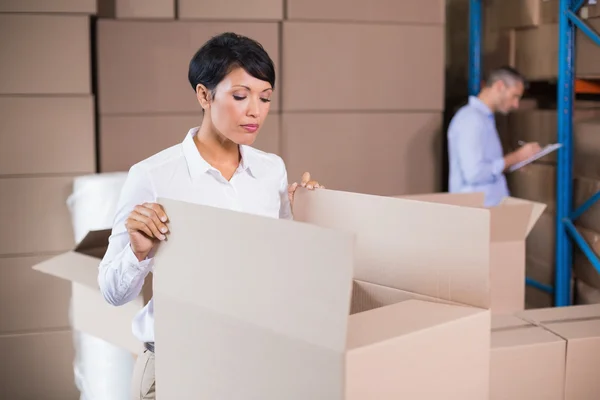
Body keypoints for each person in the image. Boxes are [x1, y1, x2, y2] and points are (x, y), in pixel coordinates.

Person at [97, 32, 323, 400]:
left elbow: (282, 272)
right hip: (177, 368)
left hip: (255, 363)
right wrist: (139, 253)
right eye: (239, 96)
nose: (255, 110)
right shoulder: (153, 175)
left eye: (265, 98)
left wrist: (309, 219)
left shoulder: (271, 172)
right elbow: (112, 292)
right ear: (204, 95)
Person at [447, 66, 542, 207]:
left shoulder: (485, 119)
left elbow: (488, 166)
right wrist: (516, 157)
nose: (516, 105)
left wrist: (514, 163)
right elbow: (474, 173)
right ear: (499, 86)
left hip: (487, 211)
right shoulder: (471, 120)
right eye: (514, 96)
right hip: (475, 214)